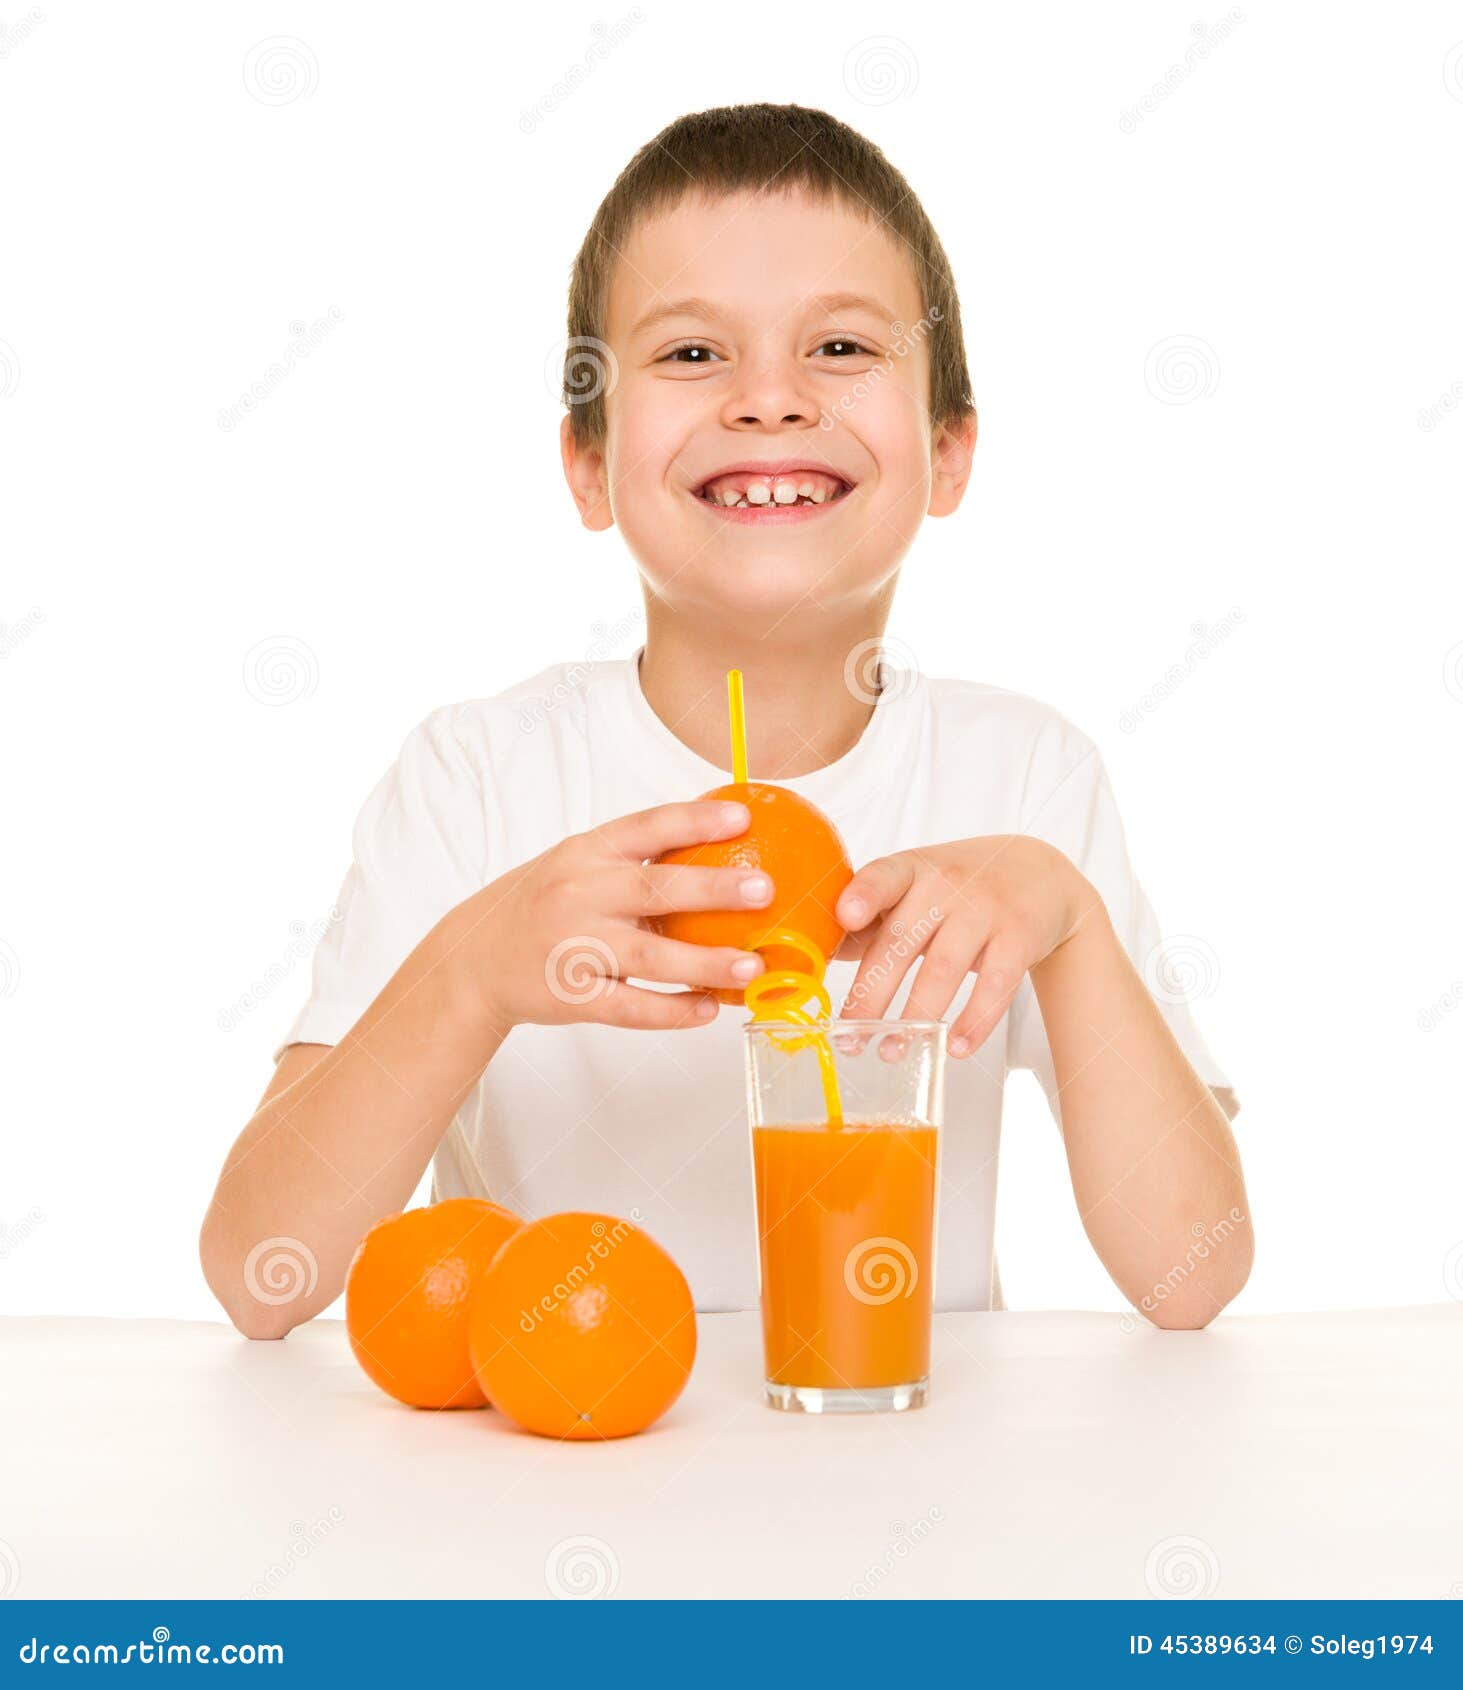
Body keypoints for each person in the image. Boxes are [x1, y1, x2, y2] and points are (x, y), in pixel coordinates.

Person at [200, 103, 1251, 1339]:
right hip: (542, 1490)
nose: (768, 399)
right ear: (588, 463)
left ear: (948, 450)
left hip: (916, 1478)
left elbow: (1194, 1276)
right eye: (693, 355)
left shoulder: (1022, 778)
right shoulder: (476, 777)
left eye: (844, 347)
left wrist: (1067, 928)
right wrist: (471, 972)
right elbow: (258, 1271)